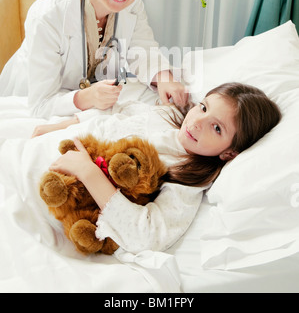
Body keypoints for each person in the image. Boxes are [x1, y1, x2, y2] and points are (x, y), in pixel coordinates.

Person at [42, 82, 281, 253]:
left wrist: (88, 172)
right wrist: (66, 124)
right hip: (61, 145)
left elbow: (147, 235)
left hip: (65, 194)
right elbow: (122, 111)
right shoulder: (169, 115)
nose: (197, 122)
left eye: (216, 128)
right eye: (204, 107)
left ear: (229, 152)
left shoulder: (187, 182)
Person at [0, 0, 187, 118]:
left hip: (92, 105)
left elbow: (143, 50)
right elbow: (41, 105)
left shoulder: (133, 6)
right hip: (29, 103)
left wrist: (164, 78)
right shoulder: (48, 16)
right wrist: (86, 97)